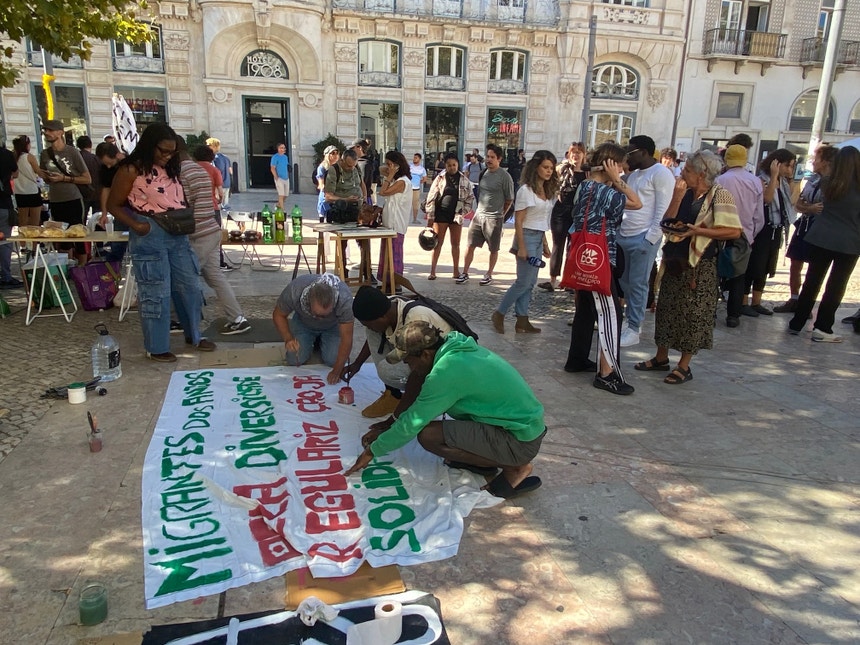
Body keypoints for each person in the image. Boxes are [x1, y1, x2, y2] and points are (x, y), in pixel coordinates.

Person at [344, 321, 546, 501]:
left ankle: (515, 467)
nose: (408, 366)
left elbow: (413, 423)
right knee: (437, 431)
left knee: (428, 435)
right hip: (520, 427)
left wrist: (373, 450)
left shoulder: (445, 373)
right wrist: (388, 429)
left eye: (409, 360)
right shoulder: (452, 348)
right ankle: (487, 463)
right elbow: (417, 408)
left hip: (519, 440)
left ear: (425, 354)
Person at [107, 122, 214, 362]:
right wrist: (138, 225)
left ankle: (194, 334)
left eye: (172, 151)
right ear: (149, 146)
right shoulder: (130, 170)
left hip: (177, 233)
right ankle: (156, 346)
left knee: (190, 286)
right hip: (150, 233)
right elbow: (113, 205)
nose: (167, 155)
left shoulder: (171, 167)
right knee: (157, 291)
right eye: (163, 151)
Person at [635, 150, 742, 384]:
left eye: (688, 170)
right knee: (666, 310)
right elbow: (667, 222)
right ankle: (661, 357)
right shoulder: (684, 191)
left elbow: (734, 230)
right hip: (674, 259)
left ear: (702, 173)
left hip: (699, 265)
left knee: (693, 315)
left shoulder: (719, 195)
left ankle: (684, 365)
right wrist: (676, 197)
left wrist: (698, 231)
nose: (682, 172)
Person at [562, 143, 642, 395]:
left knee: (585, 309)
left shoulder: (585, 185)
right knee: (611, 315)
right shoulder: (605, 191)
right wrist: (618, 181)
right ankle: (606, 374)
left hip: (583, 256)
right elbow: (636, 203)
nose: (623, 170)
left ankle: (576, 360)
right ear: (609, 164)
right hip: (600, 259)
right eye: (619, 165)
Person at [342, 285, 453, 420]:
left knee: (386, 370)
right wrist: (357, 364)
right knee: (373, 332)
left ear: (382, 317)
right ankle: (392, 395)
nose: (370, 328)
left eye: (370, 324)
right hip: (419, 357)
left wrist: (395, 418)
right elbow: (374, 332)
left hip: (441, 369)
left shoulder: (415, 320)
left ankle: (418, 398)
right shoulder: (388, 306)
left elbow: (418, 371)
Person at [787, 146, 860, 342]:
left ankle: (797, 322)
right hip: (849, 242)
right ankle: (823, 327)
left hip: (820, 237)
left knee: (812, 280)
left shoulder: (828, 183)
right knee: (836, 285)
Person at [178, 146, 251, 336]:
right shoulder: (204, 170)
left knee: (185, 278)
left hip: (198, 233)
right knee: (214, 276)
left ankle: (187, 323)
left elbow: (182, 206)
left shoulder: (182, 173)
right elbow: (218, 196)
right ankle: (237, 318)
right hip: (211, 226)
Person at [616, 135, 676, 347]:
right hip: (625, 235)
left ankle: (634, 327)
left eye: (629, 153)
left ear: (643, 152)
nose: (627, 158)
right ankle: (628, 321)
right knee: (625, 282)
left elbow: (661, 210)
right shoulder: (633, 176)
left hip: (643, 238)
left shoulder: (661, 173)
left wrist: (649, 240)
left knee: (639, 283)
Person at [492, 150, 559, 334]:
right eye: (545, 167)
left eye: (551, 168)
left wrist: (544, 243)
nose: (549, 171)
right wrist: (521, 247)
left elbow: (542, 219)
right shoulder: (525, 191)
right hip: (526, 237)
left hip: (538, 237)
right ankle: (499, 313)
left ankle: (522, 320)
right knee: (523, 281)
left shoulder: (548, 191)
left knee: (531, 282)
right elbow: (519, 222)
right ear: (535, 167)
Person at [774, 144, 837, 314]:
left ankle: (806, 303)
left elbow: (829, 208)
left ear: (825, 161)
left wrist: (810, 208)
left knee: (815, 267)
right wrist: (808, 208)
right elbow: (799, 204)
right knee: (795, 262)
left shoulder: (835, 183)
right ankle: (794, 299)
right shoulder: (812, 180)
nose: (813, 162)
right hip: (805, 224)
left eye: (816, 158)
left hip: (821, 228)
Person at [742, 148, 796, 317]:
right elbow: (767, 199)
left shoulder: (785, 182)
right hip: (763, 229)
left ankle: (756, 301)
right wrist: (773, 176)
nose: (789, 170)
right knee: (754, 265)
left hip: (777, 228)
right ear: (777, 164)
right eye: (788, 166)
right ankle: (744, 302)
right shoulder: (762, 180)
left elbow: (790, 202)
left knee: (766, 267)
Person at [715, 143, 765, 327]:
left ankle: (710, 312)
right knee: (739, 275)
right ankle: (733, 315)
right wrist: (751, 234)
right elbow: (759, 215)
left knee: (715, 271)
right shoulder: (755, 181)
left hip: (720, 231)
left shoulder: (720, 180)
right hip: (744, 234)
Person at [272, 273, 354, 384]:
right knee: (294, 359)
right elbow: (278, 315)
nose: (319, 319)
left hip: (332, 326)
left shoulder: (344, 299)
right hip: (304, 323)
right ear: (308, 302)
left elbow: (347, 338)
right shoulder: (295, 290)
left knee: (333, 360)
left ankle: (320, 341)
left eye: (325, 315)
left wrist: (336, 371)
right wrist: (288, 338)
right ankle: (313, 340)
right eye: (316, 314)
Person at [457, 144, 514, 286]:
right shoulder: (484, 173)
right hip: (478, 215)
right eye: (488, 156)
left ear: (499, 159)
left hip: (494, 218)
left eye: (492, 157)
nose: (489, 159)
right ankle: (465, 272)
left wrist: (501, 214)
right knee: (470, 244)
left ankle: (489, 274)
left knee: (493, 248)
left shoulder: (505, 177)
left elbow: (509, 198)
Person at [39, 119, 91, 260]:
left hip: (73, 199)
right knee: (61, 237)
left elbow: (87, 178)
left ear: (60, 132)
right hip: (55, 200)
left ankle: (82, 270)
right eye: (45, 130)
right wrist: (44, 175)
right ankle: (67, 268)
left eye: (50, 130)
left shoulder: (72, 152)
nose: (46, 133)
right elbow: (44, 177)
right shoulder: (45, 154)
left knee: (78, 235)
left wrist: (63, 178)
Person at [539, 141, 586, 292]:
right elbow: (549, 180)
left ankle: (568, 280)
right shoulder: (562, 169)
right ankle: (553, 280)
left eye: (579, 151)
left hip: (578, 213)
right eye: (573, 151)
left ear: (584, 154)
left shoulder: (587, 172)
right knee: (557, 246)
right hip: (560, 212)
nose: (576, 154)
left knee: (573, 249)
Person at [324, 148, 372, 282]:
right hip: (341, 211)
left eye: (353, 165)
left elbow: (362, 184)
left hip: (358, 210)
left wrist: (364, 199)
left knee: (365, 241)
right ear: (342, 160)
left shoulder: (356, 168)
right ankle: (343, 270)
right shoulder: (334, 170)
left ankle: (367, 271)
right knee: (343, 243)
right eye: (348, 165)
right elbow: (328, 196)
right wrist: (346, 199)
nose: (351, 168)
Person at [425, 152, 474, 280]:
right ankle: (432, 271)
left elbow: (470, 198)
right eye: (449, 165)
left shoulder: (464, 179)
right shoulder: (440, 178)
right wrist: (430, 215)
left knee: (456, 244)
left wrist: (463, 211)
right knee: (437, 243)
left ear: (458, 165)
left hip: (456, 216)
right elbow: (431, 196)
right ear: (445, 165)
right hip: (441, 214)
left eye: (454, 165)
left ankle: (456, 271)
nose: (452, 167)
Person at [376, 151, 412, 290]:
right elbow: (380, 169)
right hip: (389, 222)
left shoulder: (402, 182)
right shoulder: (397, 179)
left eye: (390, 164)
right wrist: (390, 170)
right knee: (386, 253)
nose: (387, 167)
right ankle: (386, 281)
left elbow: (383, 192)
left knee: (394, 253)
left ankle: (395, 282)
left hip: (396, 223)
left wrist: (390, 174)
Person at [95, 142, 127, 262]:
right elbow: (106, 189)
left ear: (118, 156)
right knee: (118, 243)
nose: (108, 167)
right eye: (105, 164)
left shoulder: (129, 164)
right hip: (119, 209)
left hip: (135, 208)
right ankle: (113, 270)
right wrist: (104, 213)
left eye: (110, 163)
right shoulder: (105, 169)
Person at [0, 142, 23, 288]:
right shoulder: (6, 154)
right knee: (5, 242)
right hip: (3, 202)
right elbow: (15, 173)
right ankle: (6, 276)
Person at [12, 136, 43, 232]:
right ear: (26, 145)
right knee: (35, 223)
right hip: (32, 191)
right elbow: (38, 171)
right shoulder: (29, 157)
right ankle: (33, 246)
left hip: (19, 192)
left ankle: (23, 245)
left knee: (22, 222)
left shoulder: (13, 157)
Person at [76, 135, 101, 218]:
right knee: (97, 219)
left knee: (81, 218)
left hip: (81, 192)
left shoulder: (76, 158)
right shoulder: (96, 158)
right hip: (96, 193)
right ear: (90, 145)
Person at [207, 137, 232, 210]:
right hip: (227, 184)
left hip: (219, 186)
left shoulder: (214, 159)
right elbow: (231, 171)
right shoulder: (226, 157)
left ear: (213, 146)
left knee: (218, 207)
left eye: (208, 145)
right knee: (226, 206)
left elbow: (216, 172)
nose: (207, 147)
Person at [316, 145, 340, 223]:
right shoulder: (322, 167)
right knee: (324, 221)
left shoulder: (338, 167)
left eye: (337, 153)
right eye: (333, 153)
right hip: (326, 197)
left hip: (336, 195)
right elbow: (321, 185)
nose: (335, 155)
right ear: (327, 155)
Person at [408, 153, 428, 223]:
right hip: (408, 188)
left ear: (419, 159)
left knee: (415, 205)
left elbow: (425, 179)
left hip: (416, 188)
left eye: (416, 158)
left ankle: (414, 218)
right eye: (414, 158)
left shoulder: (422, 169)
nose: (414, 159)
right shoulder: (409, 167)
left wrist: (419, 182)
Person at [270, 143, 290, 210]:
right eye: (281, 148)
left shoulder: (285, 157)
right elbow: (272, 168)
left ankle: (278, 205)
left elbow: (286, 166)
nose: (283, 149)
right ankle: (282, 211)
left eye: (284, 148)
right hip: (279, 178)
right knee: (281, 195)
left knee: (286, 195)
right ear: (278, 149)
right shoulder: (275, 157)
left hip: (286, 178)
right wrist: (276, 177)